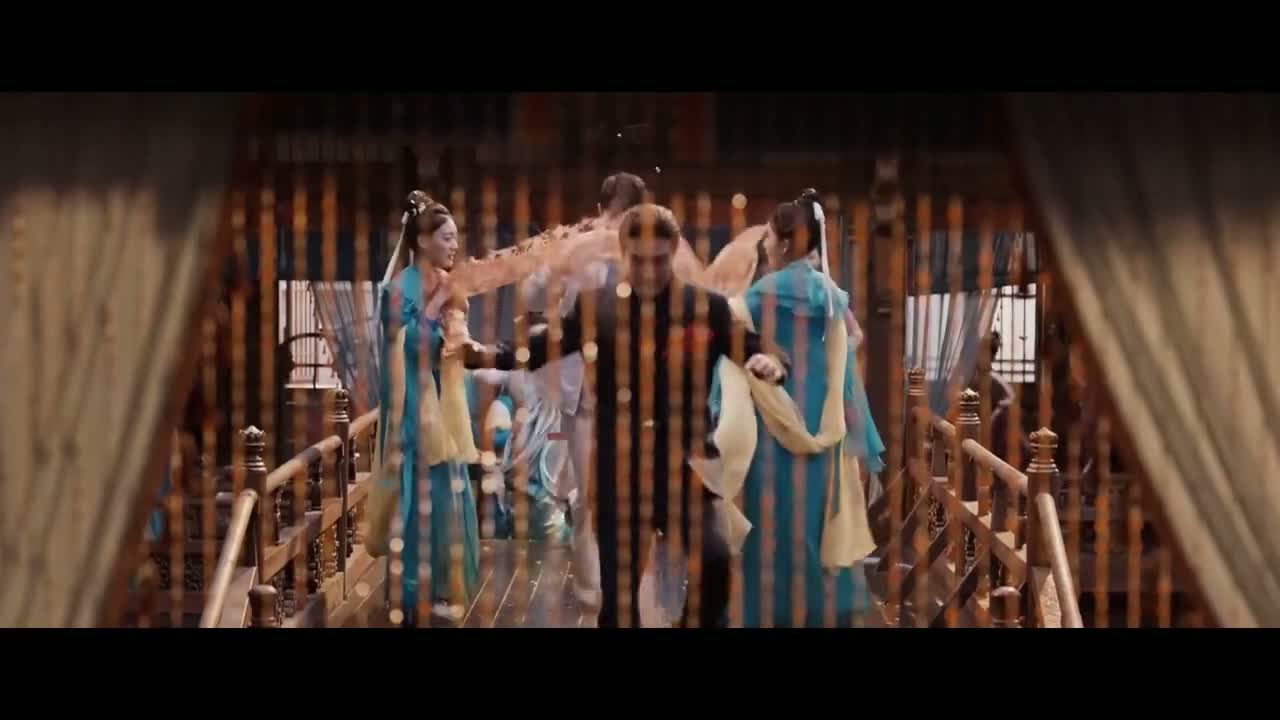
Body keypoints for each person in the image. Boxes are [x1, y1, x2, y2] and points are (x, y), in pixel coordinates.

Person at [519, 203, 789, 628]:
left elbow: (754, 345)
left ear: (674, 252)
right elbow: (541, 347)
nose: (649, 271)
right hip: (620, 468)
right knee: (619, 599)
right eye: (639, 260)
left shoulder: (704, 306)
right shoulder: (597, 306)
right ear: (624, 254)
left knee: (716, 561)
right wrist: (481, 353)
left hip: (685, 466)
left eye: (659, 260)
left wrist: (770, 362)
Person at [709, 189, 885, 628]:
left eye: (769, 237)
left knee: (771, 528)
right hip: (823, 424)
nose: (765, 244)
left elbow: (729, 352)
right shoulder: (832, 297)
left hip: (771, 426)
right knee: (813, 527)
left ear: (786, 243)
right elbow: (852, 346)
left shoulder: (758, 297)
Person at [369, 191, 512, 627]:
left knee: (450, 490)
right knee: (417, 497)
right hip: (414, 406)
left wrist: (461, 330)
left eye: (456, 237)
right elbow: (408, 346)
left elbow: (453, 345)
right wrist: (435, 308)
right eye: (447, 238)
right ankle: (412, 591)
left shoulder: (449, 285)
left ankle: (443, 589)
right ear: (422, 240)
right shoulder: (399, 290)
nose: (455, 245)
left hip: (444, 405)